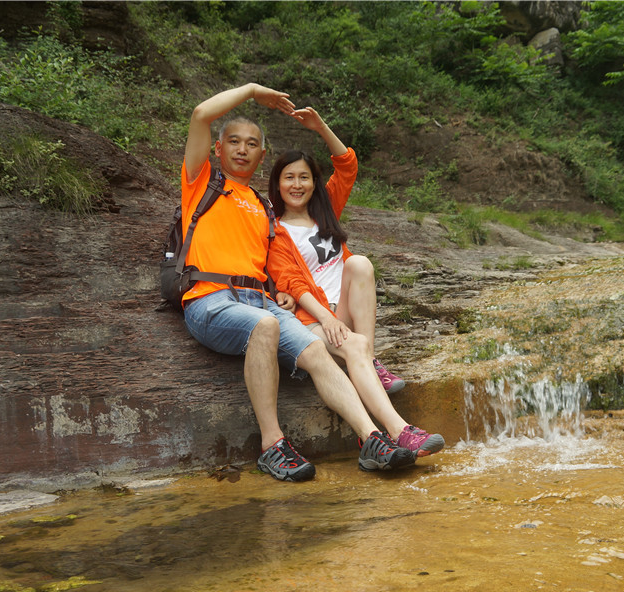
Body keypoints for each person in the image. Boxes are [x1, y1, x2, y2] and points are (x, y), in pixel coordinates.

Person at [179, 83, 416, 482]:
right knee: (266, 325)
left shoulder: (263, 208)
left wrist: (282, 293)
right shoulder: (202, 183)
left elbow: (279, 263)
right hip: (209, 299)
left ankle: (372, 439)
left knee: (318, 350)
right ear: (218, 150)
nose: (242, 148)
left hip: (261, 301)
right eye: (233, 142)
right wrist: (253, 91)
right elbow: (202, 113)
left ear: (262, 154)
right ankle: (273, 445)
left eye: (252, 143)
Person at [266, 107, 444, 458]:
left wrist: (320, 127)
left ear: (314, 183)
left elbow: (347, 164)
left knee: (359, 263)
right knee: (353, 345)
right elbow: (293, 283)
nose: (297, 185)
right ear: (277, 183)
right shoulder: (273, 230)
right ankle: (400, 432)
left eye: (304, 177)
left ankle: (372, 362)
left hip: (342, 312)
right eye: (289, 177)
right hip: (312, 320)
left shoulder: (325, 211)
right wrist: (328, 319)